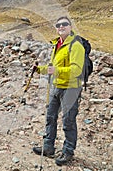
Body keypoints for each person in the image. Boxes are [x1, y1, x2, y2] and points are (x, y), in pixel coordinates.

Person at [32, 16, 85, 166]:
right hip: (56, 86)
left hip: (71, 88)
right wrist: (39, 70)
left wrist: (56, 70)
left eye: (64, 24)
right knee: (50, 116)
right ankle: (48, 147)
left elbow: (76, 70)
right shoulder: (57, 44)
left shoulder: (76, 46)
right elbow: (51, 68)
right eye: (58, 25)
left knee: (68, 120)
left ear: (70, 27)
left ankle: (68, 151)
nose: (61, 27)